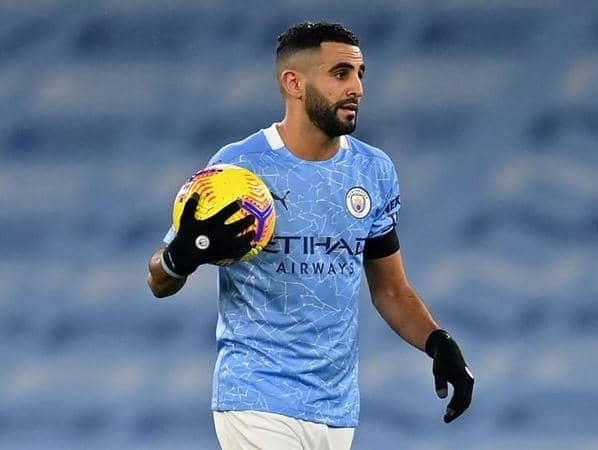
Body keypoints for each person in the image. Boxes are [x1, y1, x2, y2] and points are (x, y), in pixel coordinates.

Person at [147, 21, 474, 450]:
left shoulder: (373, 171)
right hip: (256, 396)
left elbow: (391, 290)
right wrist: (181, 257)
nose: (356, 88)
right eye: (340, 73)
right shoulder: (237, 169)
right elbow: (159, 279)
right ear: (294, 83)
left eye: (360, 74)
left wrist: (437, 342)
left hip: (335, 410)